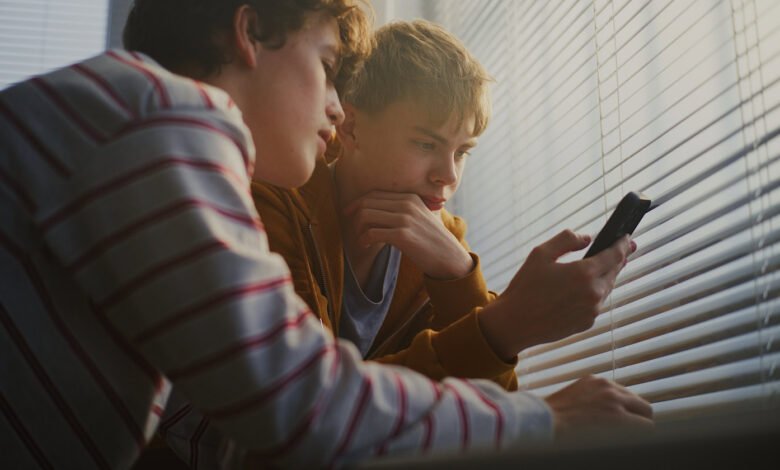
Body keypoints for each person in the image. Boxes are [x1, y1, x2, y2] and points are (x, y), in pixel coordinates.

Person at [0, 2, 651, 470]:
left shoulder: (127, 124)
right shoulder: (162, 115)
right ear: (251, 30)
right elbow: (292, 406)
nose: (338, 109)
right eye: (328, 63)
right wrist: (544, 421)